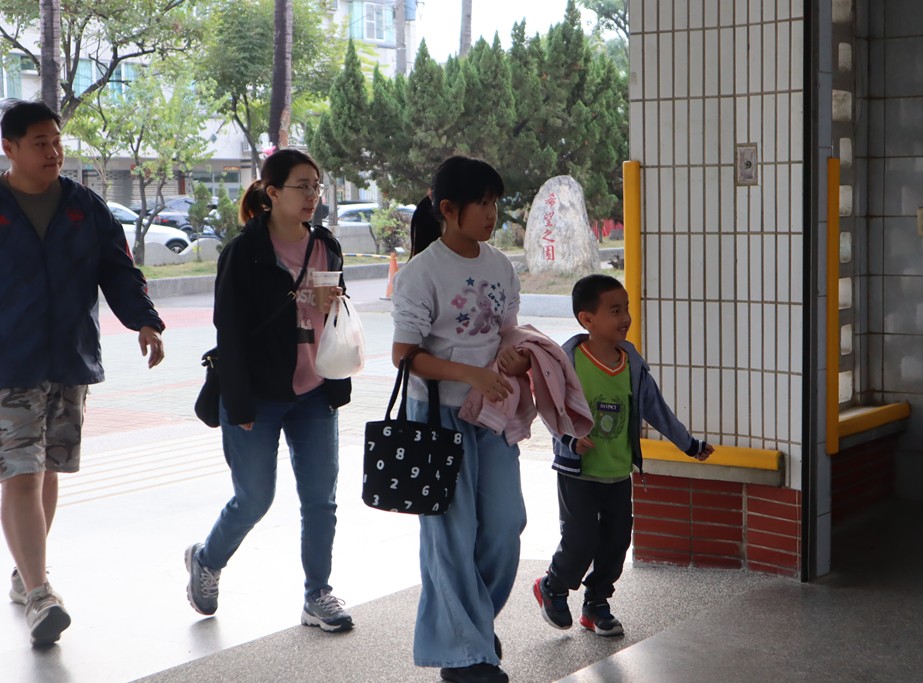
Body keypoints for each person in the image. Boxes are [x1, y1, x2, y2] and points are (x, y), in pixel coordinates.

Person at [0, 100, 166, 646]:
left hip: (69, 357)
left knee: (47, 468)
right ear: (9, 148)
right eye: (40, 143)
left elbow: (118, 270)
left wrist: (144, 321)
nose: (54, 152)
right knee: (21, 472)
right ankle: (40, 593)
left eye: (57, 140)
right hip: (9, 363)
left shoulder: (83, 205)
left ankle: (26, 574)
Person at [184, 149, 354, 633]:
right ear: (273, 192)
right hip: (257, 394)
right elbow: (230, 330)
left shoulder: (325, 246)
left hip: (315, 390)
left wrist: (332, 305)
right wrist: (238, 401)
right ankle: (207, 559)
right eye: (302, 186)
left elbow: (329, 313)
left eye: (316, 186)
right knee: (254, 498)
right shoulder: (245, 252)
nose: (312, 195)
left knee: (321, 500)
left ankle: (317, 594)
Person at [391, 156, 528, 683]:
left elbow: (508, 332)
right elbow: (405, 355)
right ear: (448, 209)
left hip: (491, 414)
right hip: (436, 418)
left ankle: (474, 625)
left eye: (495, 202)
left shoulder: (501, 266)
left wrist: (516, 356)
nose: (492, 213)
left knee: (506, 526)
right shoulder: (421, 273)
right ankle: (464, 655)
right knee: (450, 536)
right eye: (482, 203)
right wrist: (469, 373)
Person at [533, 274, 715, 637]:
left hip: (618, 472)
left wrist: (689, 444)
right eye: (615, 310)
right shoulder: (568, 361)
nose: (625, 318)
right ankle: (553, 585)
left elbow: (656, 409)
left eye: (626, 309)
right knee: (581, 540)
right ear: (587, 319)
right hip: (578, 473)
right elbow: (549, 405)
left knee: (616, 542)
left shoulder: (631, 363)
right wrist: (568, 438)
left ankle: (596, 604)